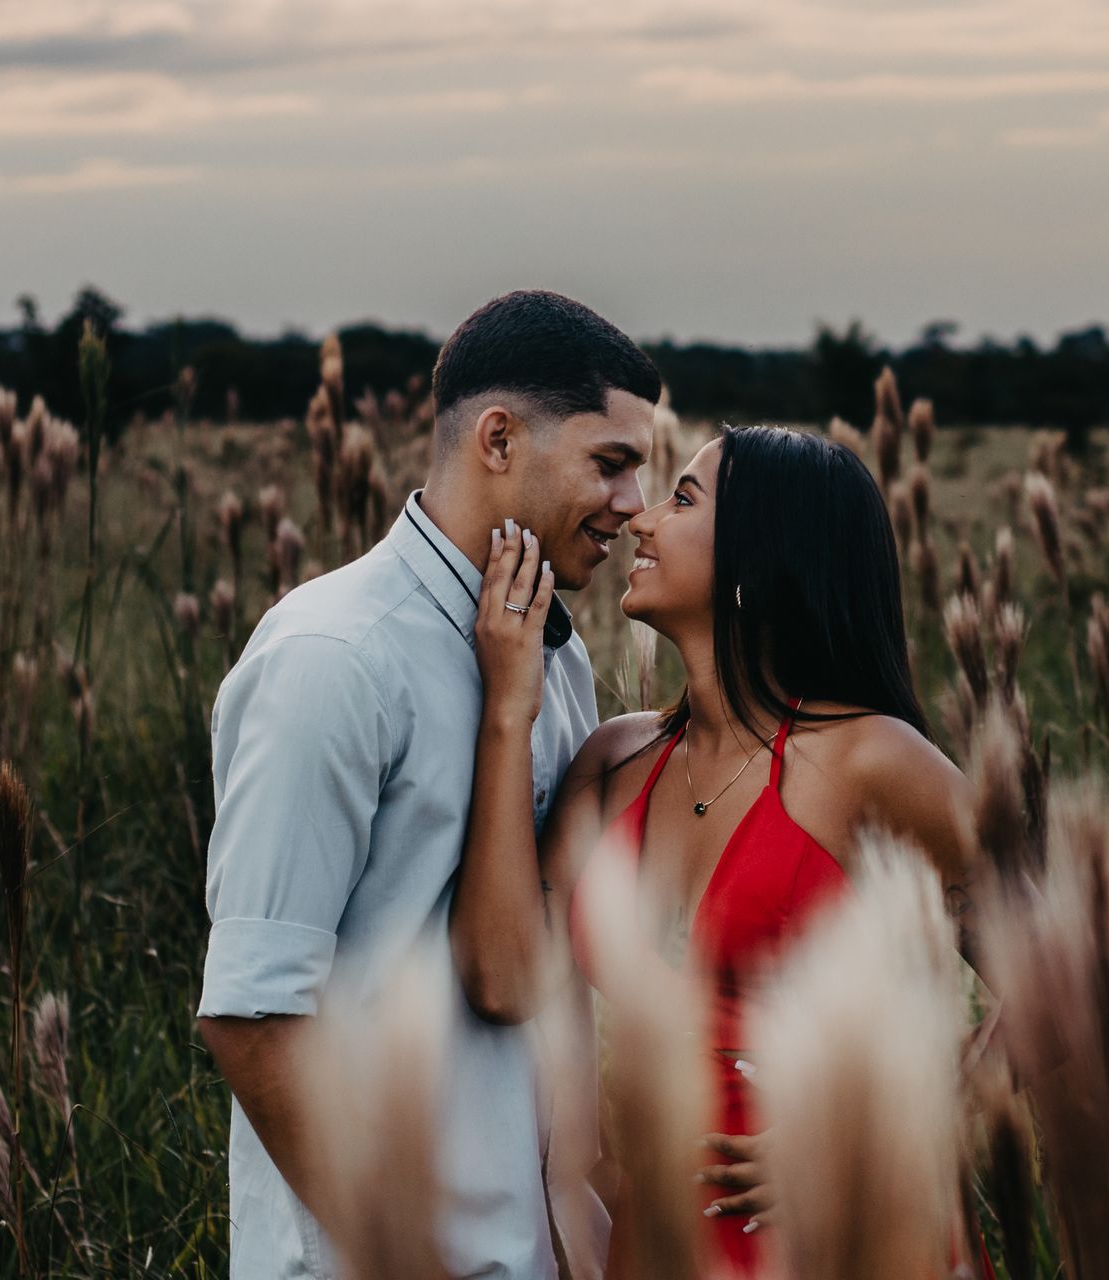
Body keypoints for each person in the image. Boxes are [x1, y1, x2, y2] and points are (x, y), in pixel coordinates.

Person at [195, 289, 661, 1278]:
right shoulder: (334, 658)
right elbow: (250, 1016)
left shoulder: (558, 659)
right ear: (499, 438)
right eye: (610, 463)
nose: (634, 504)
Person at [453, 423, 991, 1277]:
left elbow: (1058, 978)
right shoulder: (612, 765)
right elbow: (501, 978)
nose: (642, 520)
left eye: (684, 498)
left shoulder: (874, 763)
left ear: (761, 555)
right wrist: (506, 711)